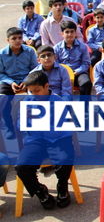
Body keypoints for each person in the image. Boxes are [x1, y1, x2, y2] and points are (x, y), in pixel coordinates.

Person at [16, 71, 74, 210]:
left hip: (58, 139)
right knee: (21, 167)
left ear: (46, 86)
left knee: (66, 158)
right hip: (35, 140)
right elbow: (19, 124)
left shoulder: (59, 102)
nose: (34, 94)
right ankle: (40, 190)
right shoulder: (27, 101)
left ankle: (62, 186)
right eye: (31, 91)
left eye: (37, 90)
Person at [0, 27, 38, 137]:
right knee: (3, 99)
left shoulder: (30, 51)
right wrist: (11, 82)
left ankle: (32, 127)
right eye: (14, 38)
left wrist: (27, 81)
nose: (17, 40)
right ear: (8, 40)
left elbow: (35, 69)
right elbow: (1, 73)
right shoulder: (1, 54)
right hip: (9, 82)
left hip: (28, 79)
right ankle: (9, 127)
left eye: (20, 38)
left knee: (35, 97)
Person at [54, 20, 92, 95]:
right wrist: (64, 72)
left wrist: (77, 71)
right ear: (62, 34)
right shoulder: (56, 48)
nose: (70, 34)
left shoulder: (82, 47)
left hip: (78, 73)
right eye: (67, 32)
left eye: (72, 32)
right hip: (62, 74)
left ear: (75, 33)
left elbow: (86, 63)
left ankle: (85, 105)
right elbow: (55, 63)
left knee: (86, 83)